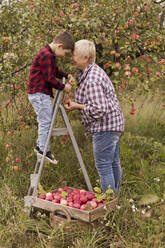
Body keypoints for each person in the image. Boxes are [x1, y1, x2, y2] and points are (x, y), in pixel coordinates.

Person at [64, 40, 124, 193]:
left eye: (75, 55)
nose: (72, 58)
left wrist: (77, 106)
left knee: (104, 165)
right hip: (113, 125)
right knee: (113, 162)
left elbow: (99, 109)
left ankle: (109, 201)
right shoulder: (90, 72)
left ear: (85, 58)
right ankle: (115, 199)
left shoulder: (91, 79)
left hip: (105, 126)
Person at [28, 31, 75, 164]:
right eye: (65, 53)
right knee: (45, 121)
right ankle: (43, 150)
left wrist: (66, 75)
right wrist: (63, 87)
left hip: (40, 93)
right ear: (60, 46)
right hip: (39, 94)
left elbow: (54, 71)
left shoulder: (49, 55)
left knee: (45, 120)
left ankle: (40, 146)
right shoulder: (47, 55)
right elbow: (49, 78)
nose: (65, 56)